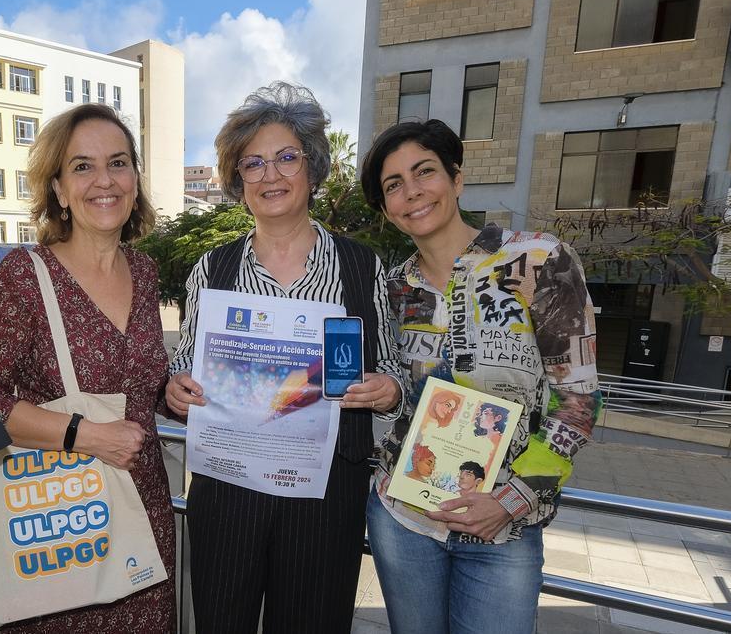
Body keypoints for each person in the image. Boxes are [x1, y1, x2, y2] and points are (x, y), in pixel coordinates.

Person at [165, 82, 404, 633]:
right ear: (237, 180)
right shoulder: (212, 269)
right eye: (253, 164)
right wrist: (176, 392)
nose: (270, 175)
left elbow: (392, 375)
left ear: (313, 169)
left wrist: (386, 390)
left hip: (324, 496)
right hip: (229, 489)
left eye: (286, 158)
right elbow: (184, 372)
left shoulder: (361, 266)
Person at [362, 119, 602, 633]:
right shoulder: (392, 287)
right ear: (386, 209)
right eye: (393, 185)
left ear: (456, 179)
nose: (412, 192)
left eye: (424, 172)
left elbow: (578, 403)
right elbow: (397, 392)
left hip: (503, 531)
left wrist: (508, 501)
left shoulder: (538, 260)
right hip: (403, 519)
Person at [0, 103, 175, 632]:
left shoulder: (145, 272)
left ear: (135, 179)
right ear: (58, 189)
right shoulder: (26, 275)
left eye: (118, 163)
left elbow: (135, 380)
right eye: (82, 166)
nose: (104, 181)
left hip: (142, 514)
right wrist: (85, 435)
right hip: (60, 523)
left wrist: (171, 390)